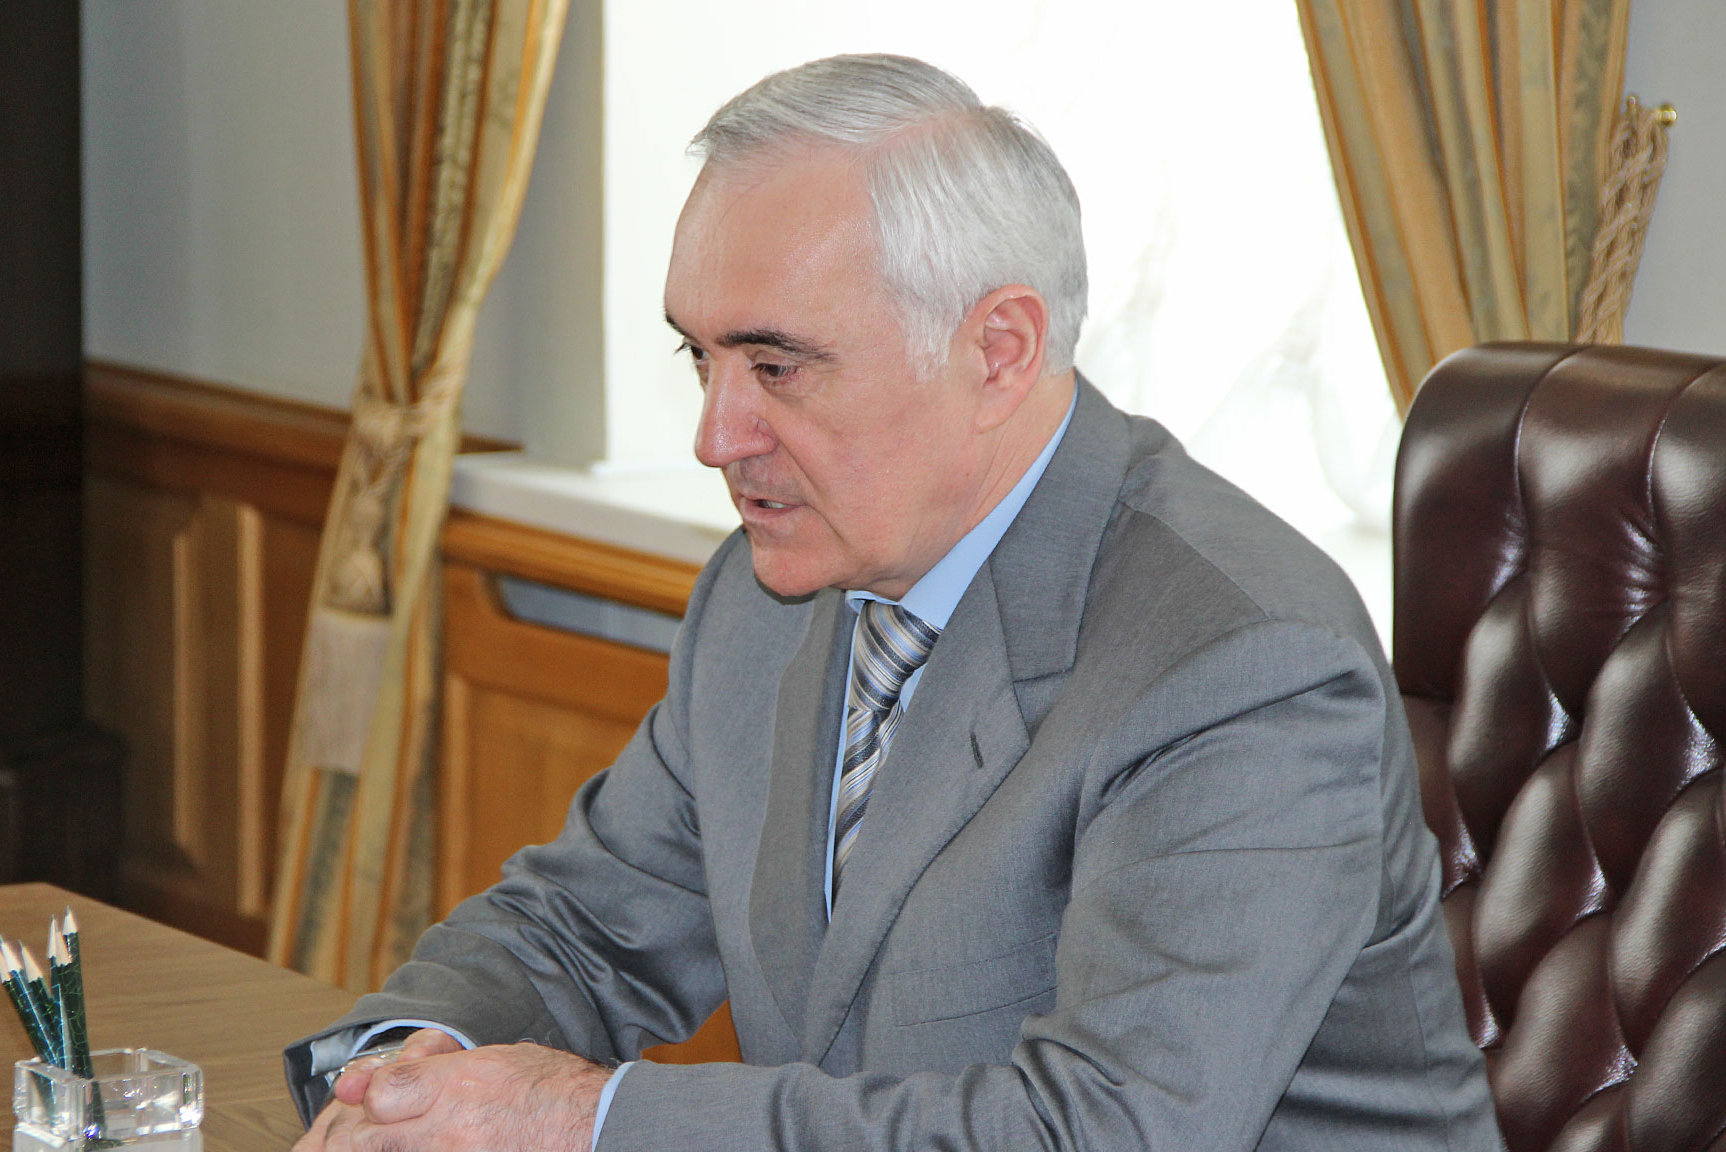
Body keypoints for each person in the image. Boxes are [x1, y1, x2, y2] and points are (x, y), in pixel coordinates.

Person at [286, 53, 1502, 1151]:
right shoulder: (768, 596)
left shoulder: (1239, 660)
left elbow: (1106, 1132)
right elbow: (584, 928)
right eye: (699, 359)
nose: (717, 434)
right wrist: (399, 1074)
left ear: (999, 351)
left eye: (776, 366)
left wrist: (579, 1121)